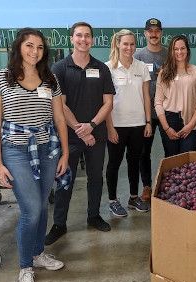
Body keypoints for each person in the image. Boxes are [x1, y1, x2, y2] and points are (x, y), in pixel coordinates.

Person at [0, 28, 69, 282]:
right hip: (15, 151)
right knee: (31, 209)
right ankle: (25, 268)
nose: (35, 51)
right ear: (18, 47)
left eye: (40, 47)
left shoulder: (49, 79)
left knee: (42, 205)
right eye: (30, 45)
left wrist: (65, 153)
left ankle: (37, 254)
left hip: (46, 148)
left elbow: (59, 119)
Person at [45, 22, 115, 245]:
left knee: (96, 177)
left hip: (96, 134)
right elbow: (60, 105)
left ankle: (93, 215)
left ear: (92, 40)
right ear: (71, 39)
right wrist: (80, 130)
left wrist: (92, 126)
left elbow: (108, 103)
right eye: (79, 36)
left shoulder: (102, 68)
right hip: (70, 136)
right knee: (65, 179)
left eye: (87, 36)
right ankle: (59, 224)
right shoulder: (59, 68)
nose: (83, 39)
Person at [105, 29, 151, 217]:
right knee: (114, 163)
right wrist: (109, 127)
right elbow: (105, 101)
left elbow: (146, 97)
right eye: (125, 44)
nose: (129, 47)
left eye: (132, 44)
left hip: (138, 124)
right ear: (117, 44)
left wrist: (148, 122)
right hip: (117, 125)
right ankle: (113, 200)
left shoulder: (141, 67)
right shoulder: (108, 68)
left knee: (134, 161)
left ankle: (133, 197)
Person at [155, 35, 196, 157]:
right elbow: (158, 102)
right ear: (171, 52)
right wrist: (166, 128)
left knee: (187, 160)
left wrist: (191, 125)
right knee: (171, 159)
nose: (179, 52)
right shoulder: (163, 73)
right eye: (175, 49)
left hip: (191, 120)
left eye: (182, 48)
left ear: (187, 50)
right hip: (169, 120)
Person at [133, 18, 167, 202]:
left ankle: (170, 184)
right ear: (145, 33)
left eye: (157, 31)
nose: (154, 34)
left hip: (166, 111)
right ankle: (146, 186)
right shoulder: (138, 56)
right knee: (143, 152)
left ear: (161, 33)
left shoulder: (169, 55)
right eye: (150, 31)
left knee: (170, 150)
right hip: (145, 113)